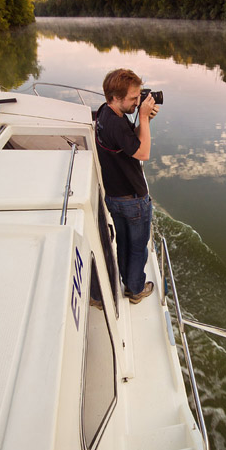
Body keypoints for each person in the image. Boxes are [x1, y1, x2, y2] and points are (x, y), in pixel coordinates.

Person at [94, 68, 159, 304]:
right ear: (115, 97)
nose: (137, 102)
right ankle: (136, 289)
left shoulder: (105, 112)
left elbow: (131, 141)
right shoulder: (118, 124)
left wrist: (144, 119)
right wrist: (143, 119)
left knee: (123, 244)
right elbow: (143, 152)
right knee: (138, 248)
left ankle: (128, 282)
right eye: (133, 98)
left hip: (114, 197)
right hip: (133, 200)